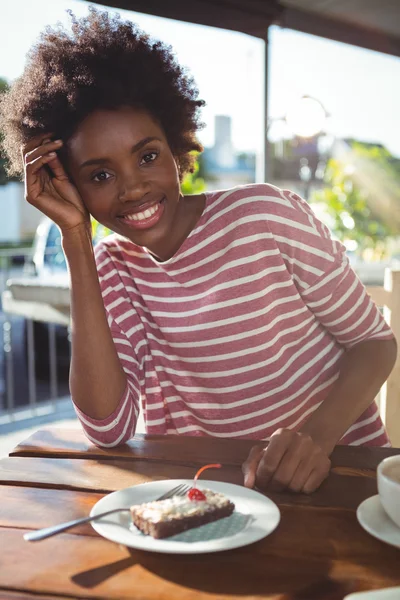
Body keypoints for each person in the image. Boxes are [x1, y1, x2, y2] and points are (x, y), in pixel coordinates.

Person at [0, 9, 396, 495]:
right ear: (72, 187)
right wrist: (77, 241)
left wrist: (315, 438)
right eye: (99, 175)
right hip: (213, 499)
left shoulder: (264, 216)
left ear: (176, 147)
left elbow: (375, 343)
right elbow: (108, 428)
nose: (133, 188)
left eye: (147, 156)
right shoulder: (110, 269)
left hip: (341, 478)